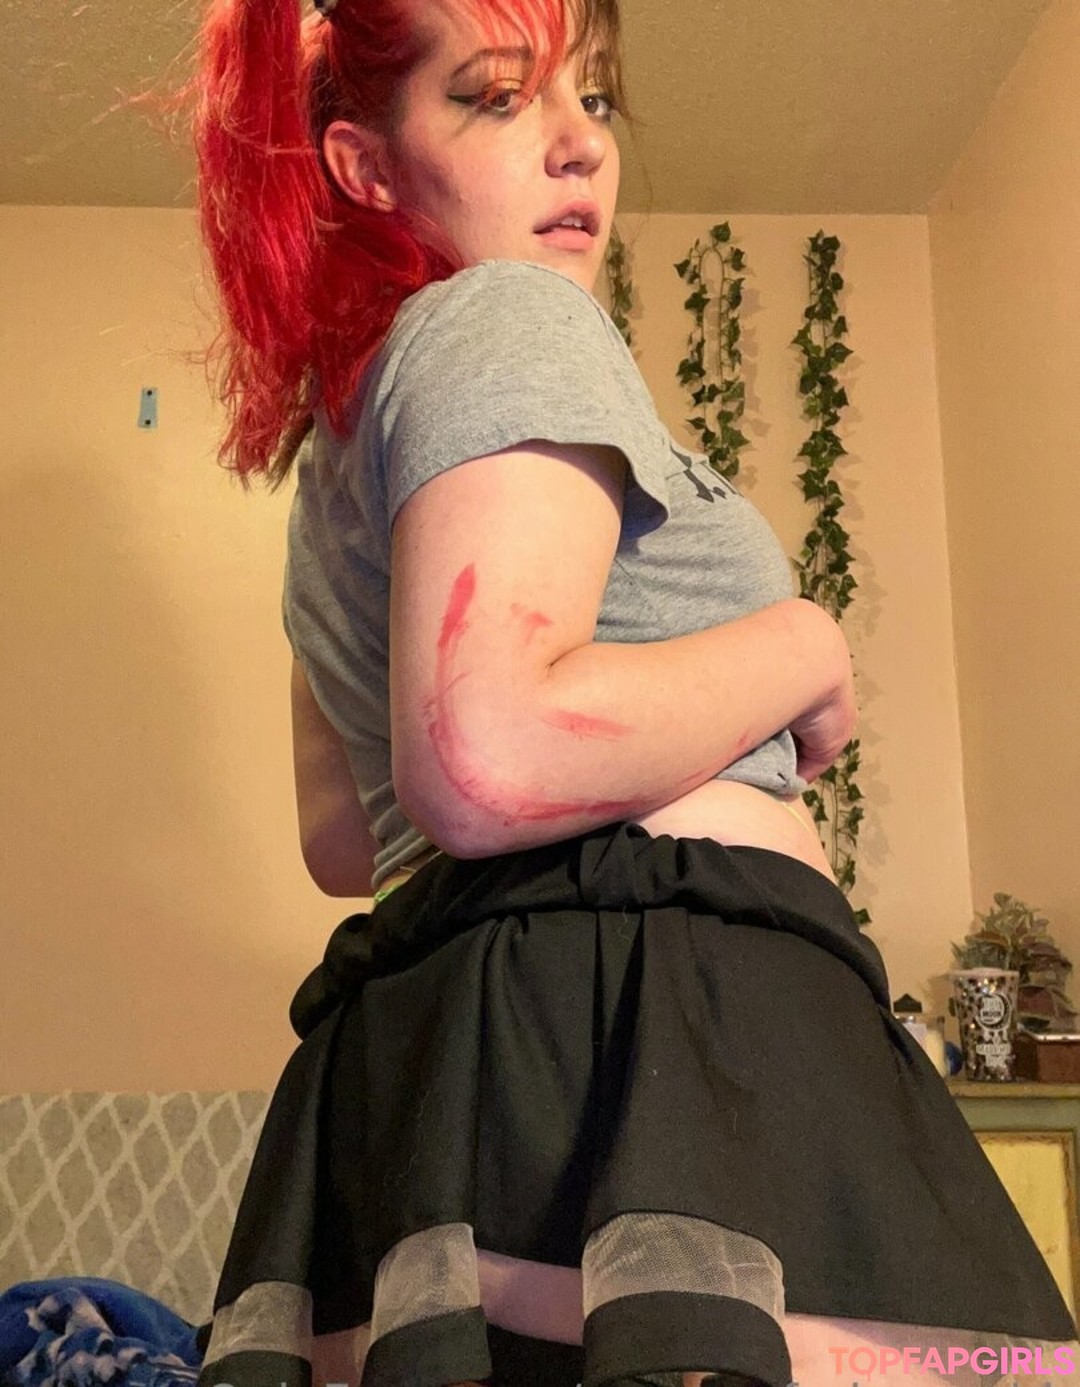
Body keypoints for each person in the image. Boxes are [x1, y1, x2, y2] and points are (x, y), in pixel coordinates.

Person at [183, 0, 1077, 1382]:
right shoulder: (507, 316)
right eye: (497, 96)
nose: (579, 146)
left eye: (591, 99)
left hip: (458, 1050)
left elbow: (345, 838)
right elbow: (484, 754)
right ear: (365, 165)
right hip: (646, 1022)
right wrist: (805, 645)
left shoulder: (339, 447)